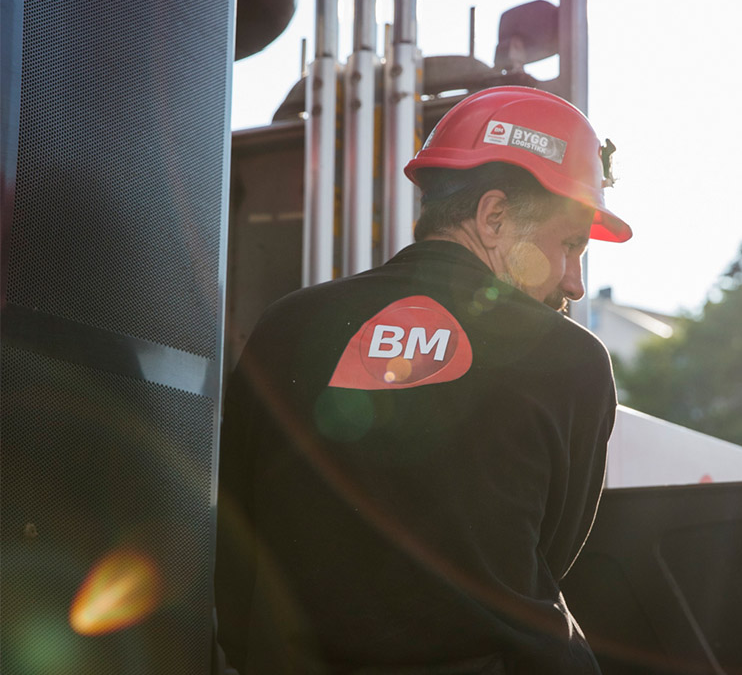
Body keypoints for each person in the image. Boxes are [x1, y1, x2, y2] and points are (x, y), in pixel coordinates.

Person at [214, 86, 632, 674]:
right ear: (493, 218)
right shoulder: (569, 361)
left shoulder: (284, 327)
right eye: (569, 246)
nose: (574, 282)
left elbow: (232, 554)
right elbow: (548, 555)